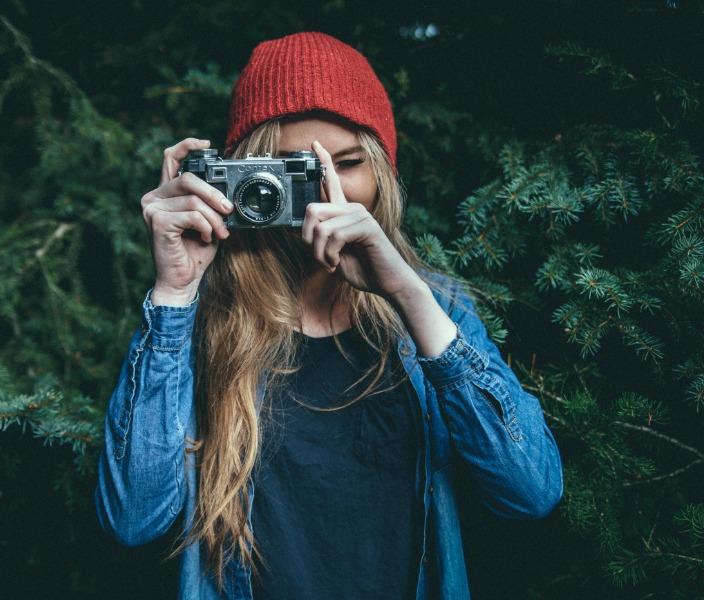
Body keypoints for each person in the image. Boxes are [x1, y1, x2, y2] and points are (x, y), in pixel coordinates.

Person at [94, 31, 563, 599]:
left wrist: (409, 297)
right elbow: (133, 518)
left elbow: (531, 490)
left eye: (347, 164)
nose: (326, 195)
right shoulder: (198, 324)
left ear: (383, 174)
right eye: (296, 172)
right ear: (245, 183)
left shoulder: (435, 312)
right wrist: (173, 294)